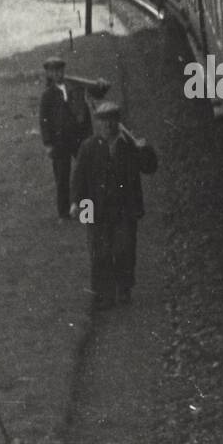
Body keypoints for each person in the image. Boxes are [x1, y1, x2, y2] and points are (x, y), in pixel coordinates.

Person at [69, 101, 158, 310]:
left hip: (124, 208)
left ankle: (124, 288)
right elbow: (79, 177)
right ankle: (104, 294)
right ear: (98, 123)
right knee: (99, 251)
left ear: (118, 122)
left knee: (124, 248)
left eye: (111, 121)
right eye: (103, 121)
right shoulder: (89, 146)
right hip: (96, 208)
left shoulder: (130, 146)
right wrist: (75, 202)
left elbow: (150, 167)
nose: (107, 126)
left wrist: (145, 149)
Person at [38, 57, 87, 219]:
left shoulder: (73, 88)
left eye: (60, 70)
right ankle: (64, 213)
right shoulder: (47, 95)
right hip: (59, 141)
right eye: (54, 71)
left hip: (78, 137)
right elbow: (44, 121)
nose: (58, 74)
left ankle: (87, 211)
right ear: (49, 74)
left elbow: (83, 109)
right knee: (62, 177)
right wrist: (48, 144)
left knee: (84, 172)